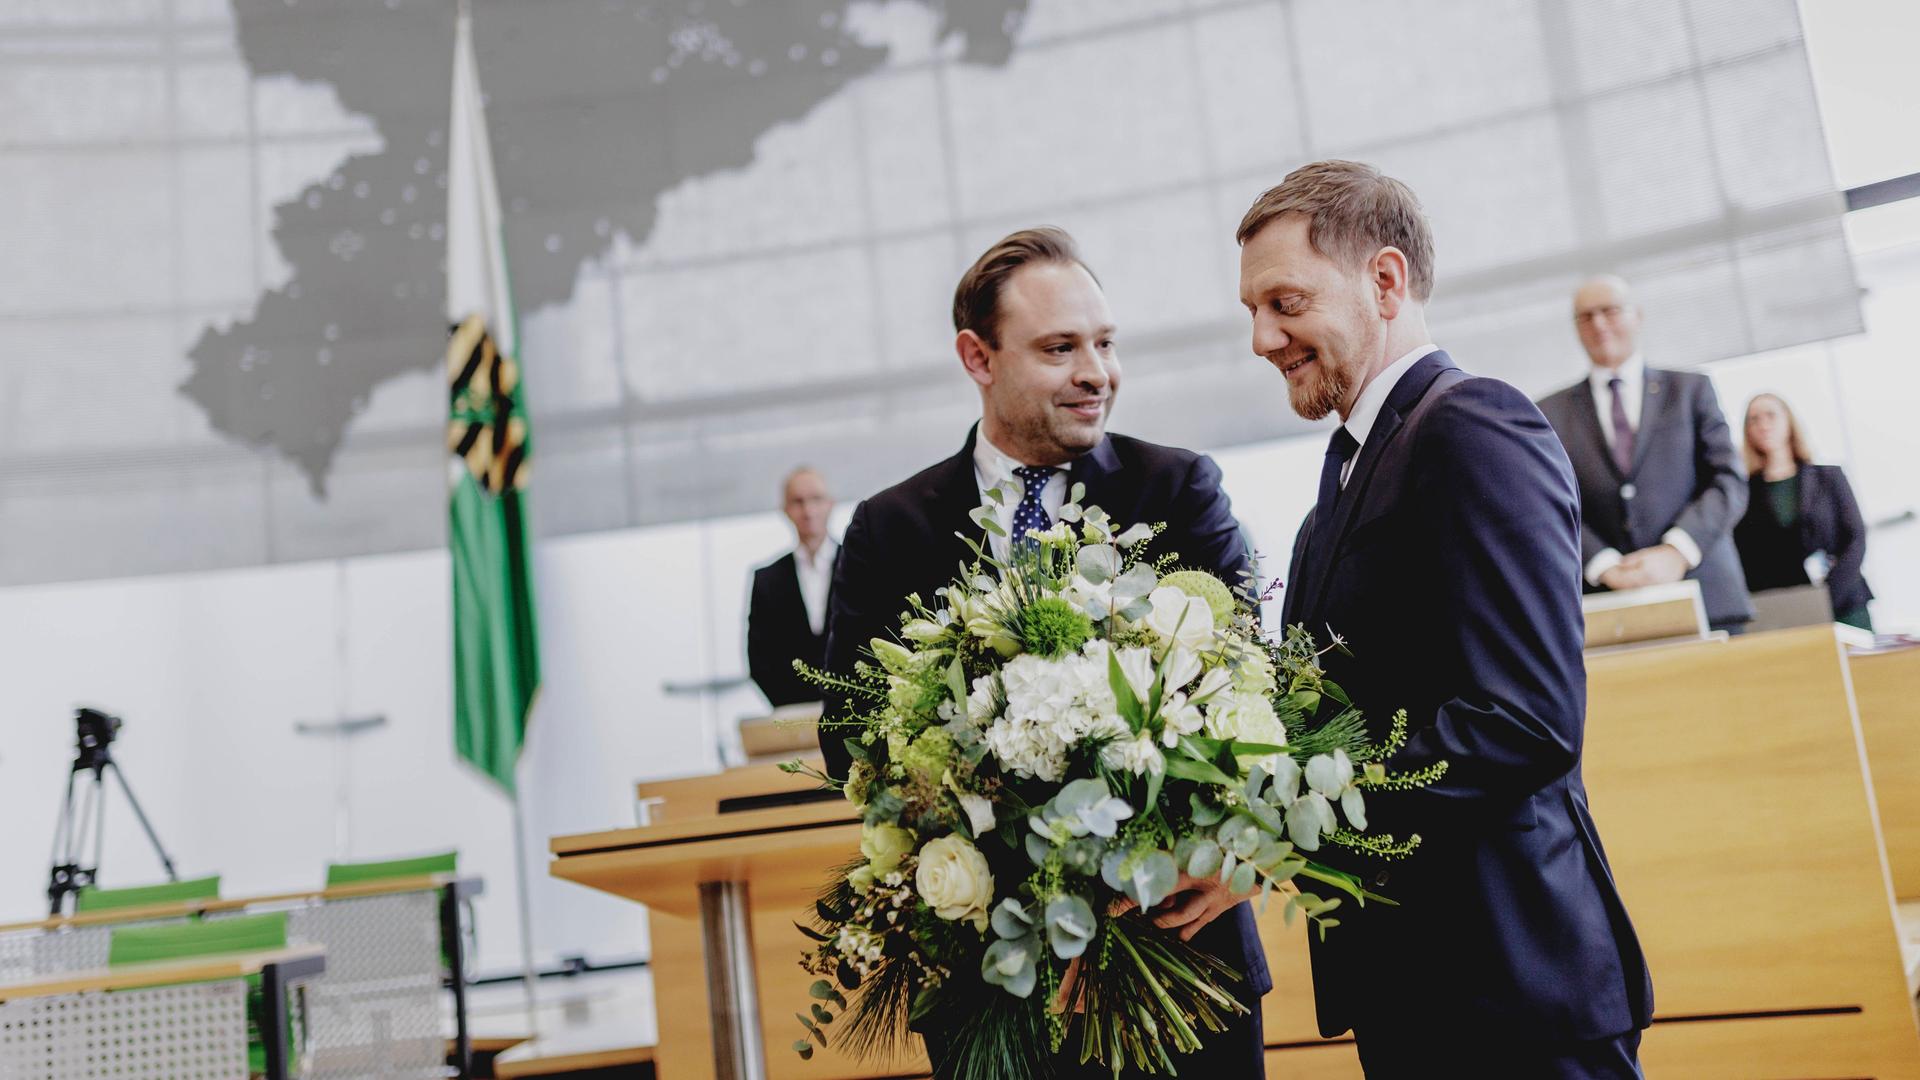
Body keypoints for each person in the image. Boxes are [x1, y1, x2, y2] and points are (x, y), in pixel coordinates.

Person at [819, 226, 1269, 1077]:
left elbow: (1257, 692)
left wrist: (1226, 846)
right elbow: (850, 734)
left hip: (1182, 960)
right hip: (990, 992)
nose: (1096, 371)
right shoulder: (890, 530)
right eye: (1060, 348)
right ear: (977, 357)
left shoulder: (1178, 489)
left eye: (1104, 343)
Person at [1240, 160, 1651, 1076]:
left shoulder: (1473, 425)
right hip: (1415, 992)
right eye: (1252, 312)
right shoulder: (1339, 477)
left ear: (1384, 281)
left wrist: (1298, 805)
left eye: (1285, 302)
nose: (1263, 337)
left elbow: (1525, 722)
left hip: (1510, 986)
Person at [1537, 275, 1753, 632]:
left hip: (1708, 597)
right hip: (1605, 610)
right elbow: (1546, 504)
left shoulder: (1690, 390)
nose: (1599, 324)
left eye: (1609, 311)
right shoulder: (1549, 412)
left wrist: (1676, 551)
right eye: (1586, 316)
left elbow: (1728, 480)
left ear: (1637, 316)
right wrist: (1602, 563)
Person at [1733, 393, 1874, 631]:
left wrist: (1830, 594)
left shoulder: (1828, 477)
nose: (1763, 425)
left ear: (1788, 421)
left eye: (1770, 415)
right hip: (1788, 610)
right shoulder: (1743, 493)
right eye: (1753, 419)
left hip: (1843, 601)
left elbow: (1855, 537)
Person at [746, 467, 836, 707]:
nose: (808, 511)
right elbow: (759, 659)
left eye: (816, 499)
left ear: (830, 504)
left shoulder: (859, 566)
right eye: (798, 502)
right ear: (785, 510)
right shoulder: (766, 579)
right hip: (792, 716)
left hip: (859, 712)